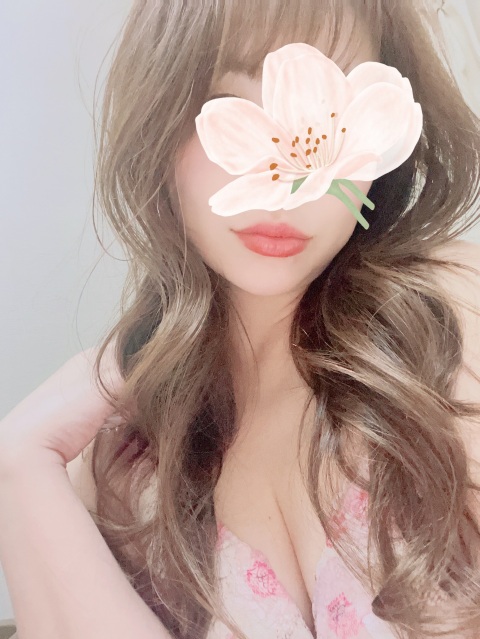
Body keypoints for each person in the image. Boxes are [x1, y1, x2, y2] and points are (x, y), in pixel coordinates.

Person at [1, 0, 480, 638]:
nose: (285, 181)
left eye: (324, 117)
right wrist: (21, 460)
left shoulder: (447, 321)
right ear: (158, 130)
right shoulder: (124, 463)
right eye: (225, 106)